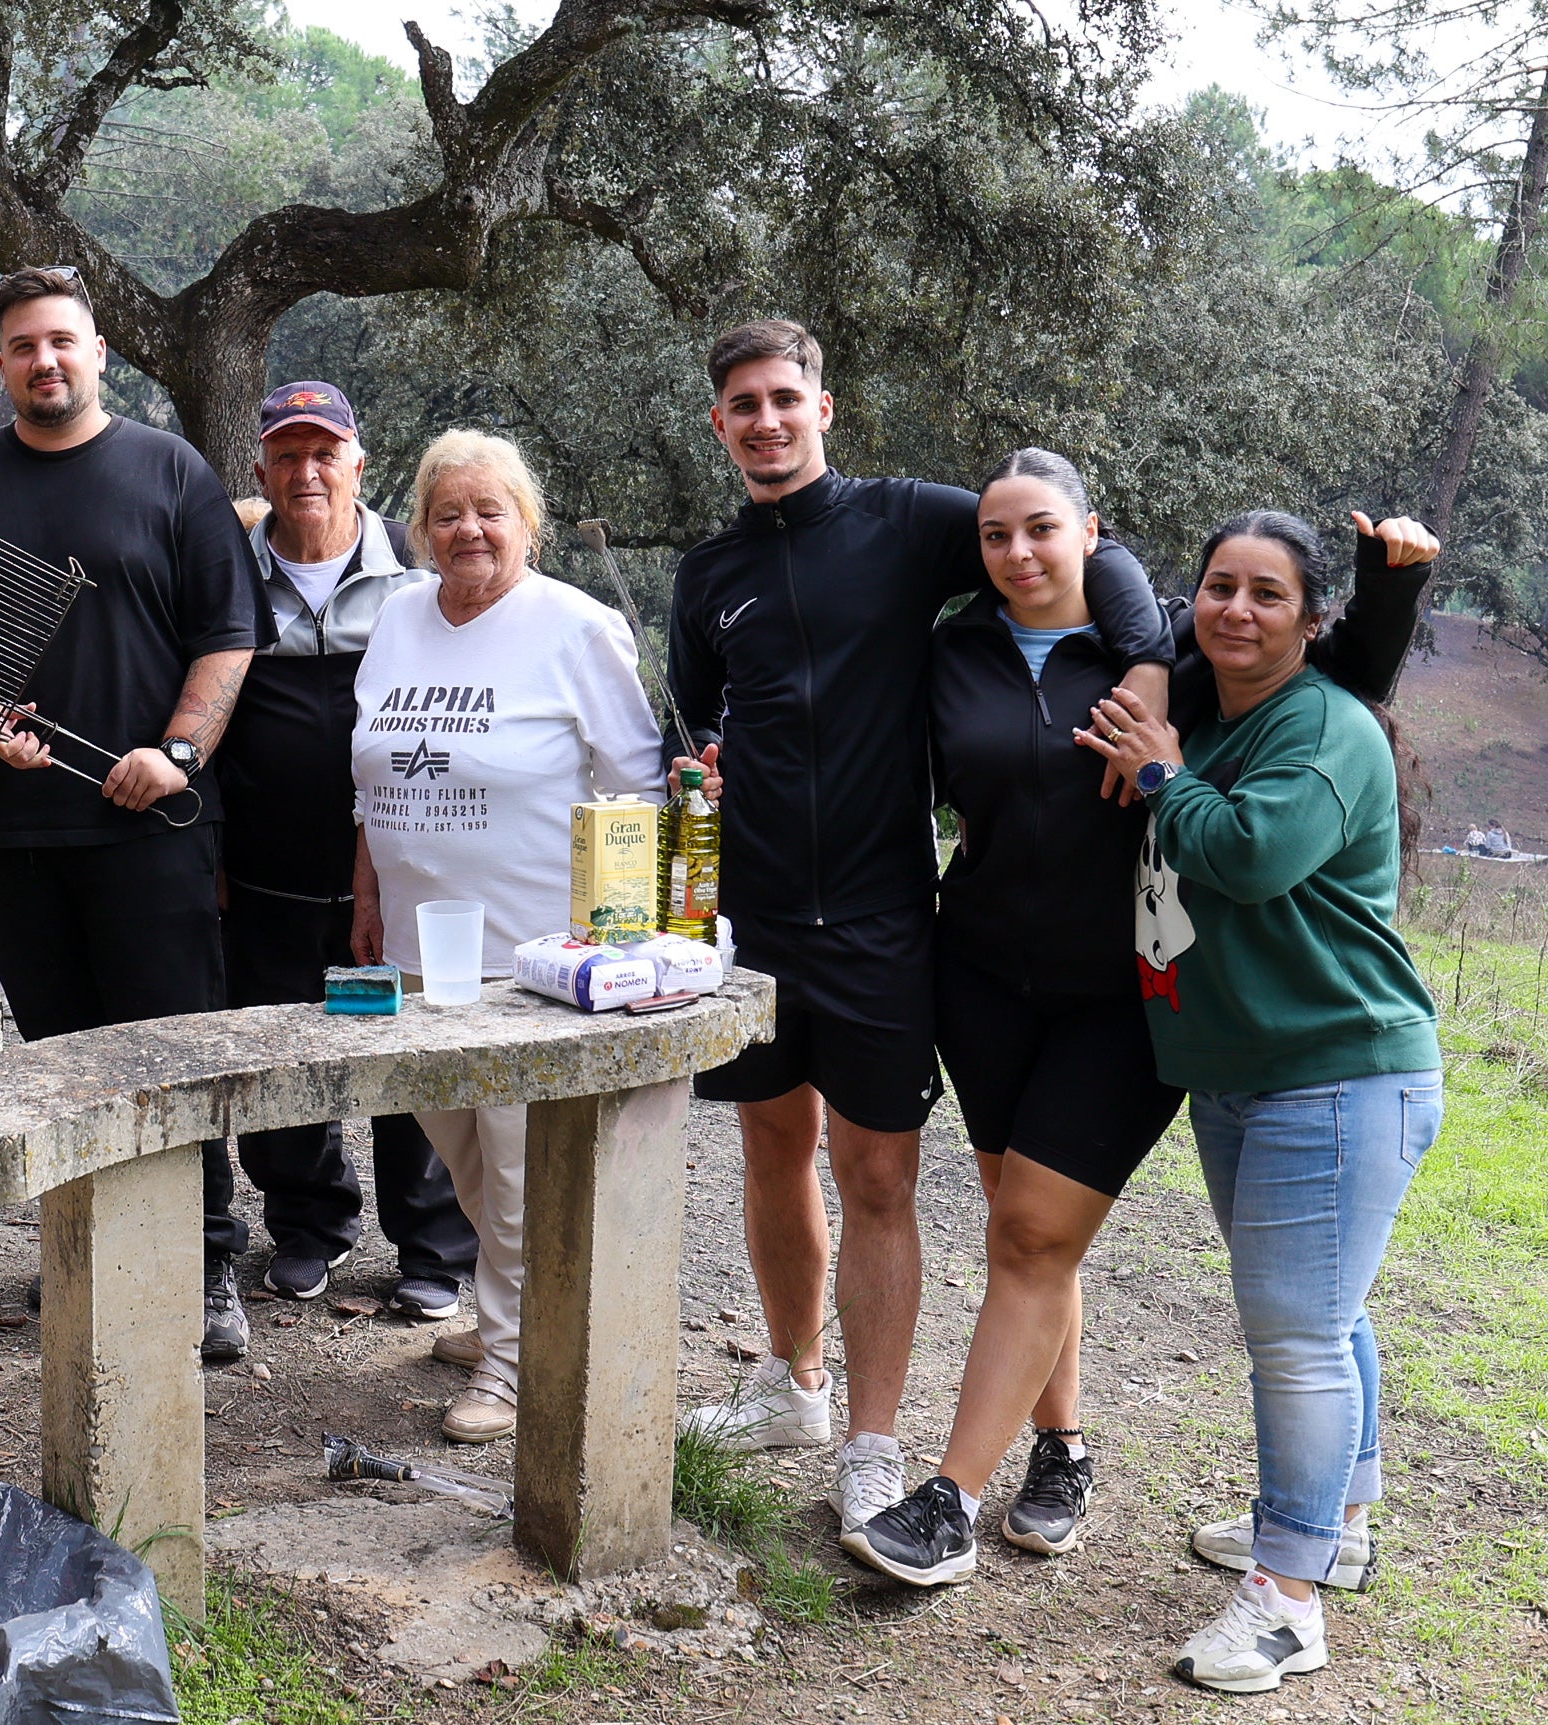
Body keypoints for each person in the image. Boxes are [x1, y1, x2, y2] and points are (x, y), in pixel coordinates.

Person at [842, 453, 1437, 1586]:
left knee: (1035, 1235)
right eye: (995, 535)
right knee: (1023, 1231)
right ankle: (1062, 1448)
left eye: (1043, 528)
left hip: (1126, 1002)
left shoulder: (1173, 657)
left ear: (1092, 532)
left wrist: (1391, 584)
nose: (1018, 552)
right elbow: (886, 780)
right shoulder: (954, 652)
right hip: (983, 984)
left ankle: (950, 1501)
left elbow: (1331, 670)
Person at [665, 321, 1174, 1540]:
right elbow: (684, 724)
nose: (765, 421)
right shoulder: (706, 573)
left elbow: (1080, 541)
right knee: (770, 1146)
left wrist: (1150, 665)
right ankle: (792, 1383)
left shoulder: (908, 521)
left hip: (883, 918)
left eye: (783, 398)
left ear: (822, 408)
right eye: (742, 405)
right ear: (719, 423)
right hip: (749, 918)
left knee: (878, 1177)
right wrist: (699, 769)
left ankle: (871, 1447)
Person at [1078, 511, 1443, 1692]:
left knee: (1293, 1339)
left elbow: (1245, 857)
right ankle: (1336, 1528)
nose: (1234, 610)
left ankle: (1285, 1602)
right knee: (1322, 1318)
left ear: (1309, 618)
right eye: (1217, 588)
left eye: (1266, 594)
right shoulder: (1221, 711)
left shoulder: (1322, 725)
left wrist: (1157, 772)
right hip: (1249, 1074)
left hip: (1333, 1072)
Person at [0, 266, 261, 1361]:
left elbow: (227, 636)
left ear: (98, 352)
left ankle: (206, 1265)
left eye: (62, 341)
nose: (45, 361)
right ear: (2, 362)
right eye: (24, 345)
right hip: (9, 836)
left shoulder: (171, 470)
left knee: (173, 1055)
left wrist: (177, 754)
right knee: (58, 1063)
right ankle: (87, 1254)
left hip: (152, 829)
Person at [350, 430, 665, 1442]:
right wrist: (366, 890)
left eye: (491, 511)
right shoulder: (398, 617)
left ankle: (513, 1362)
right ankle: (522, 1308)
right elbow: (371, 776)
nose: (469, 530)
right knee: (464, 1154)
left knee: (521, 1165)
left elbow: (635, 787)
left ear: (527, 522)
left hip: (535, 958)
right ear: (419, 529)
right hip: (417, 951)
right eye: (447, 514)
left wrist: (614, 938)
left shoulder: (575, 626)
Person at [217, 382, 477, 1318]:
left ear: (359, 464)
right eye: (287, 456)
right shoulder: (227, 572)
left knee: (412, 1054)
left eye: (324, 453)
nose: (307, 472)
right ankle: (306, 1226)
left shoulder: (416, 566)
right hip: (264, 868)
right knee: (279, 1051)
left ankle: (434, 1246)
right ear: (261, 472)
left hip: (406, 860)